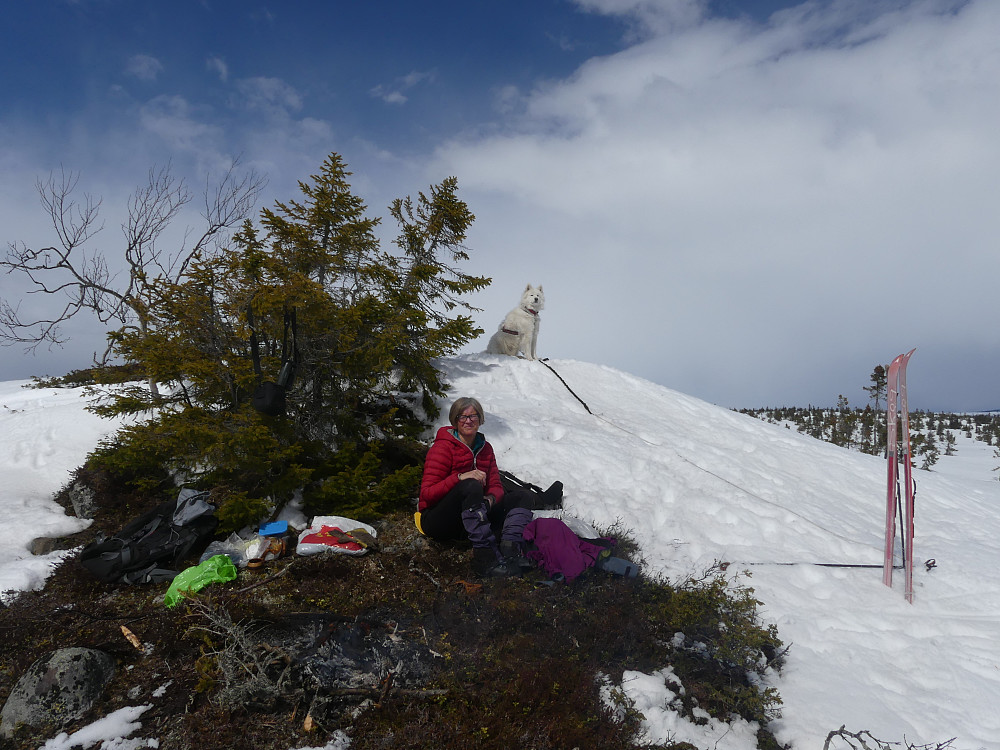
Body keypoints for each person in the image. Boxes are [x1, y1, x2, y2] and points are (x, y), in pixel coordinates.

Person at [416, 397, 533, 577]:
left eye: (473, 416)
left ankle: (511, 550)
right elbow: (427, 494)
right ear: (455, 420)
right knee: (470, 485)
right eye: (462, 417)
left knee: (523, 496)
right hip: (437, 520)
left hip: (472, 517)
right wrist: (460, 478)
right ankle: (484, 557)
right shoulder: (442, 448)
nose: (468, 421)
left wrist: (489, 501)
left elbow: (496, 485)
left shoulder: (486, 449)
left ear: (480, 419)